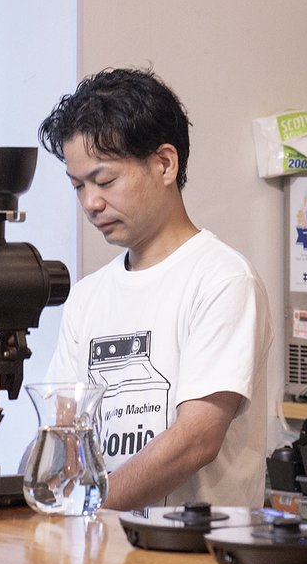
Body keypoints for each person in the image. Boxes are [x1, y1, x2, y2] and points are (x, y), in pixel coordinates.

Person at [40, 67, 269, 510]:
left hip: (197, 551)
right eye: (78, 186)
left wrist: (86, 506)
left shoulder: (222, 280)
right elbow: (60, 434)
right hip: (100, 548)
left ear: (165, 164)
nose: (91, 203)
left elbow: (196, 439)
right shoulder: (88, 297)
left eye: (105, 181)